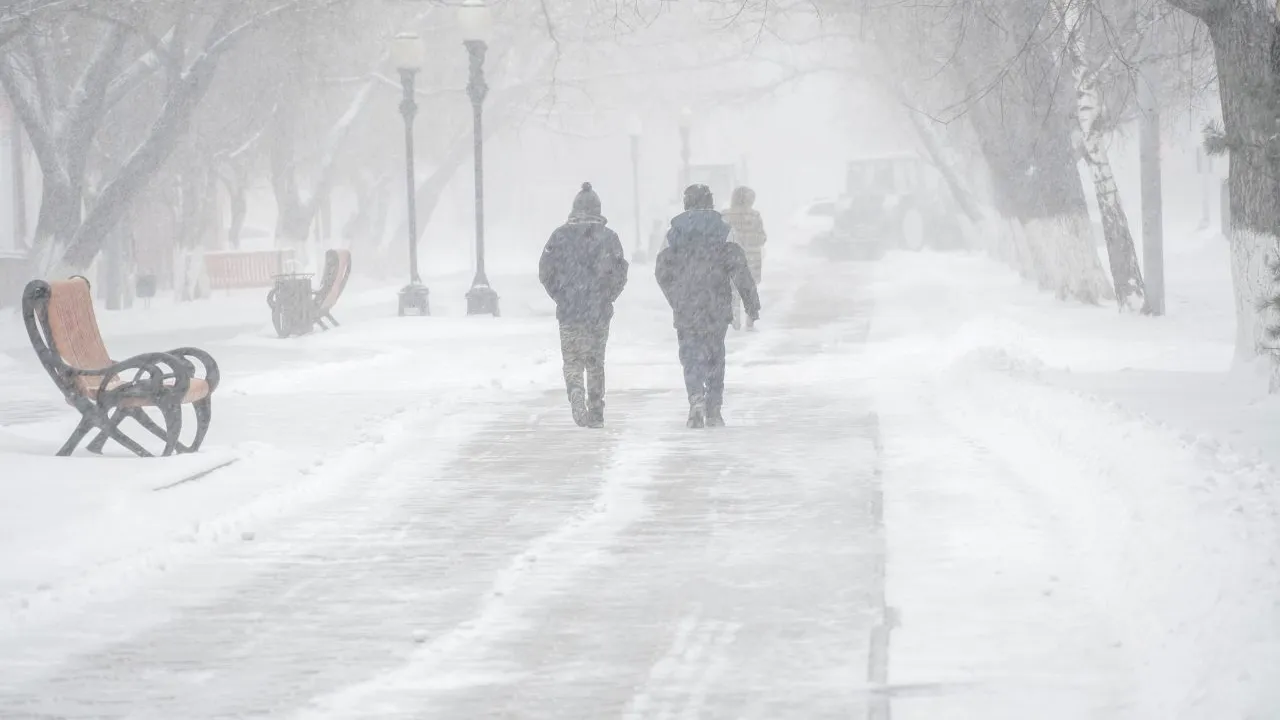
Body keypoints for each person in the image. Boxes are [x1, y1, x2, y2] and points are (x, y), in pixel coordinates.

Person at [656, 184, 761, 429]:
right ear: (710, 202)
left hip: (687, 307)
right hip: (716, 304)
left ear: (686, 203)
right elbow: (739, 268)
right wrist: (751, 303)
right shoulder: (724, 230)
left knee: (690, 354)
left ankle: (695, 397)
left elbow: (661, 271)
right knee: (715, 355)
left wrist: (676, 296)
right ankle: (714, 408)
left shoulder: (673, 233)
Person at [539, 182, 629, 428]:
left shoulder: (558, 236)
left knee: (572, 360)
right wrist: (608, 295)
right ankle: (597, 409)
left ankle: (576, 395)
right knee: (595, 360)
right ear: (598, 209)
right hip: (598, 310)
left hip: (569, 311)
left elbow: (546, 272)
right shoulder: (609, 238)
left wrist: (561, 295)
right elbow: (620, 272)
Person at [721, 186, 767, 331]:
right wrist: (751, 240)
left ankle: (734, 322)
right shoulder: (754, 216)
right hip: (750, 259)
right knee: (749, 291)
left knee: (732, 291)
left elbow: (720, 237)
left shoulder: (725, 216)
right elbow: (762, 237)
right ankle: (750, 321)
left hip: (731, 258)